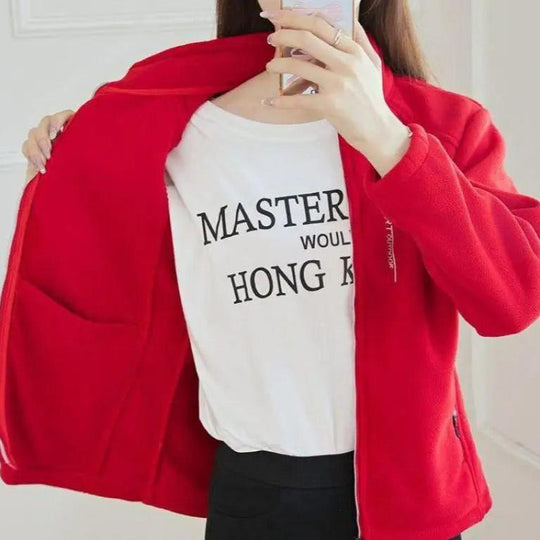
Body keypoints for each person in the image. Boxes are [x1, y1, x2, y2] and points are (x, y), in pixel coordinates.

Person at [4, 1, 539, 539]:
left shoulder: (444, 125)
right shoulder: (177, 123)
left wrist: (387, 140)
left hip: (413, 496)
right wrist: (61, 160)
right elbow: (94, 266)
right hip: (256, 492)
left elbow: (514, 298)